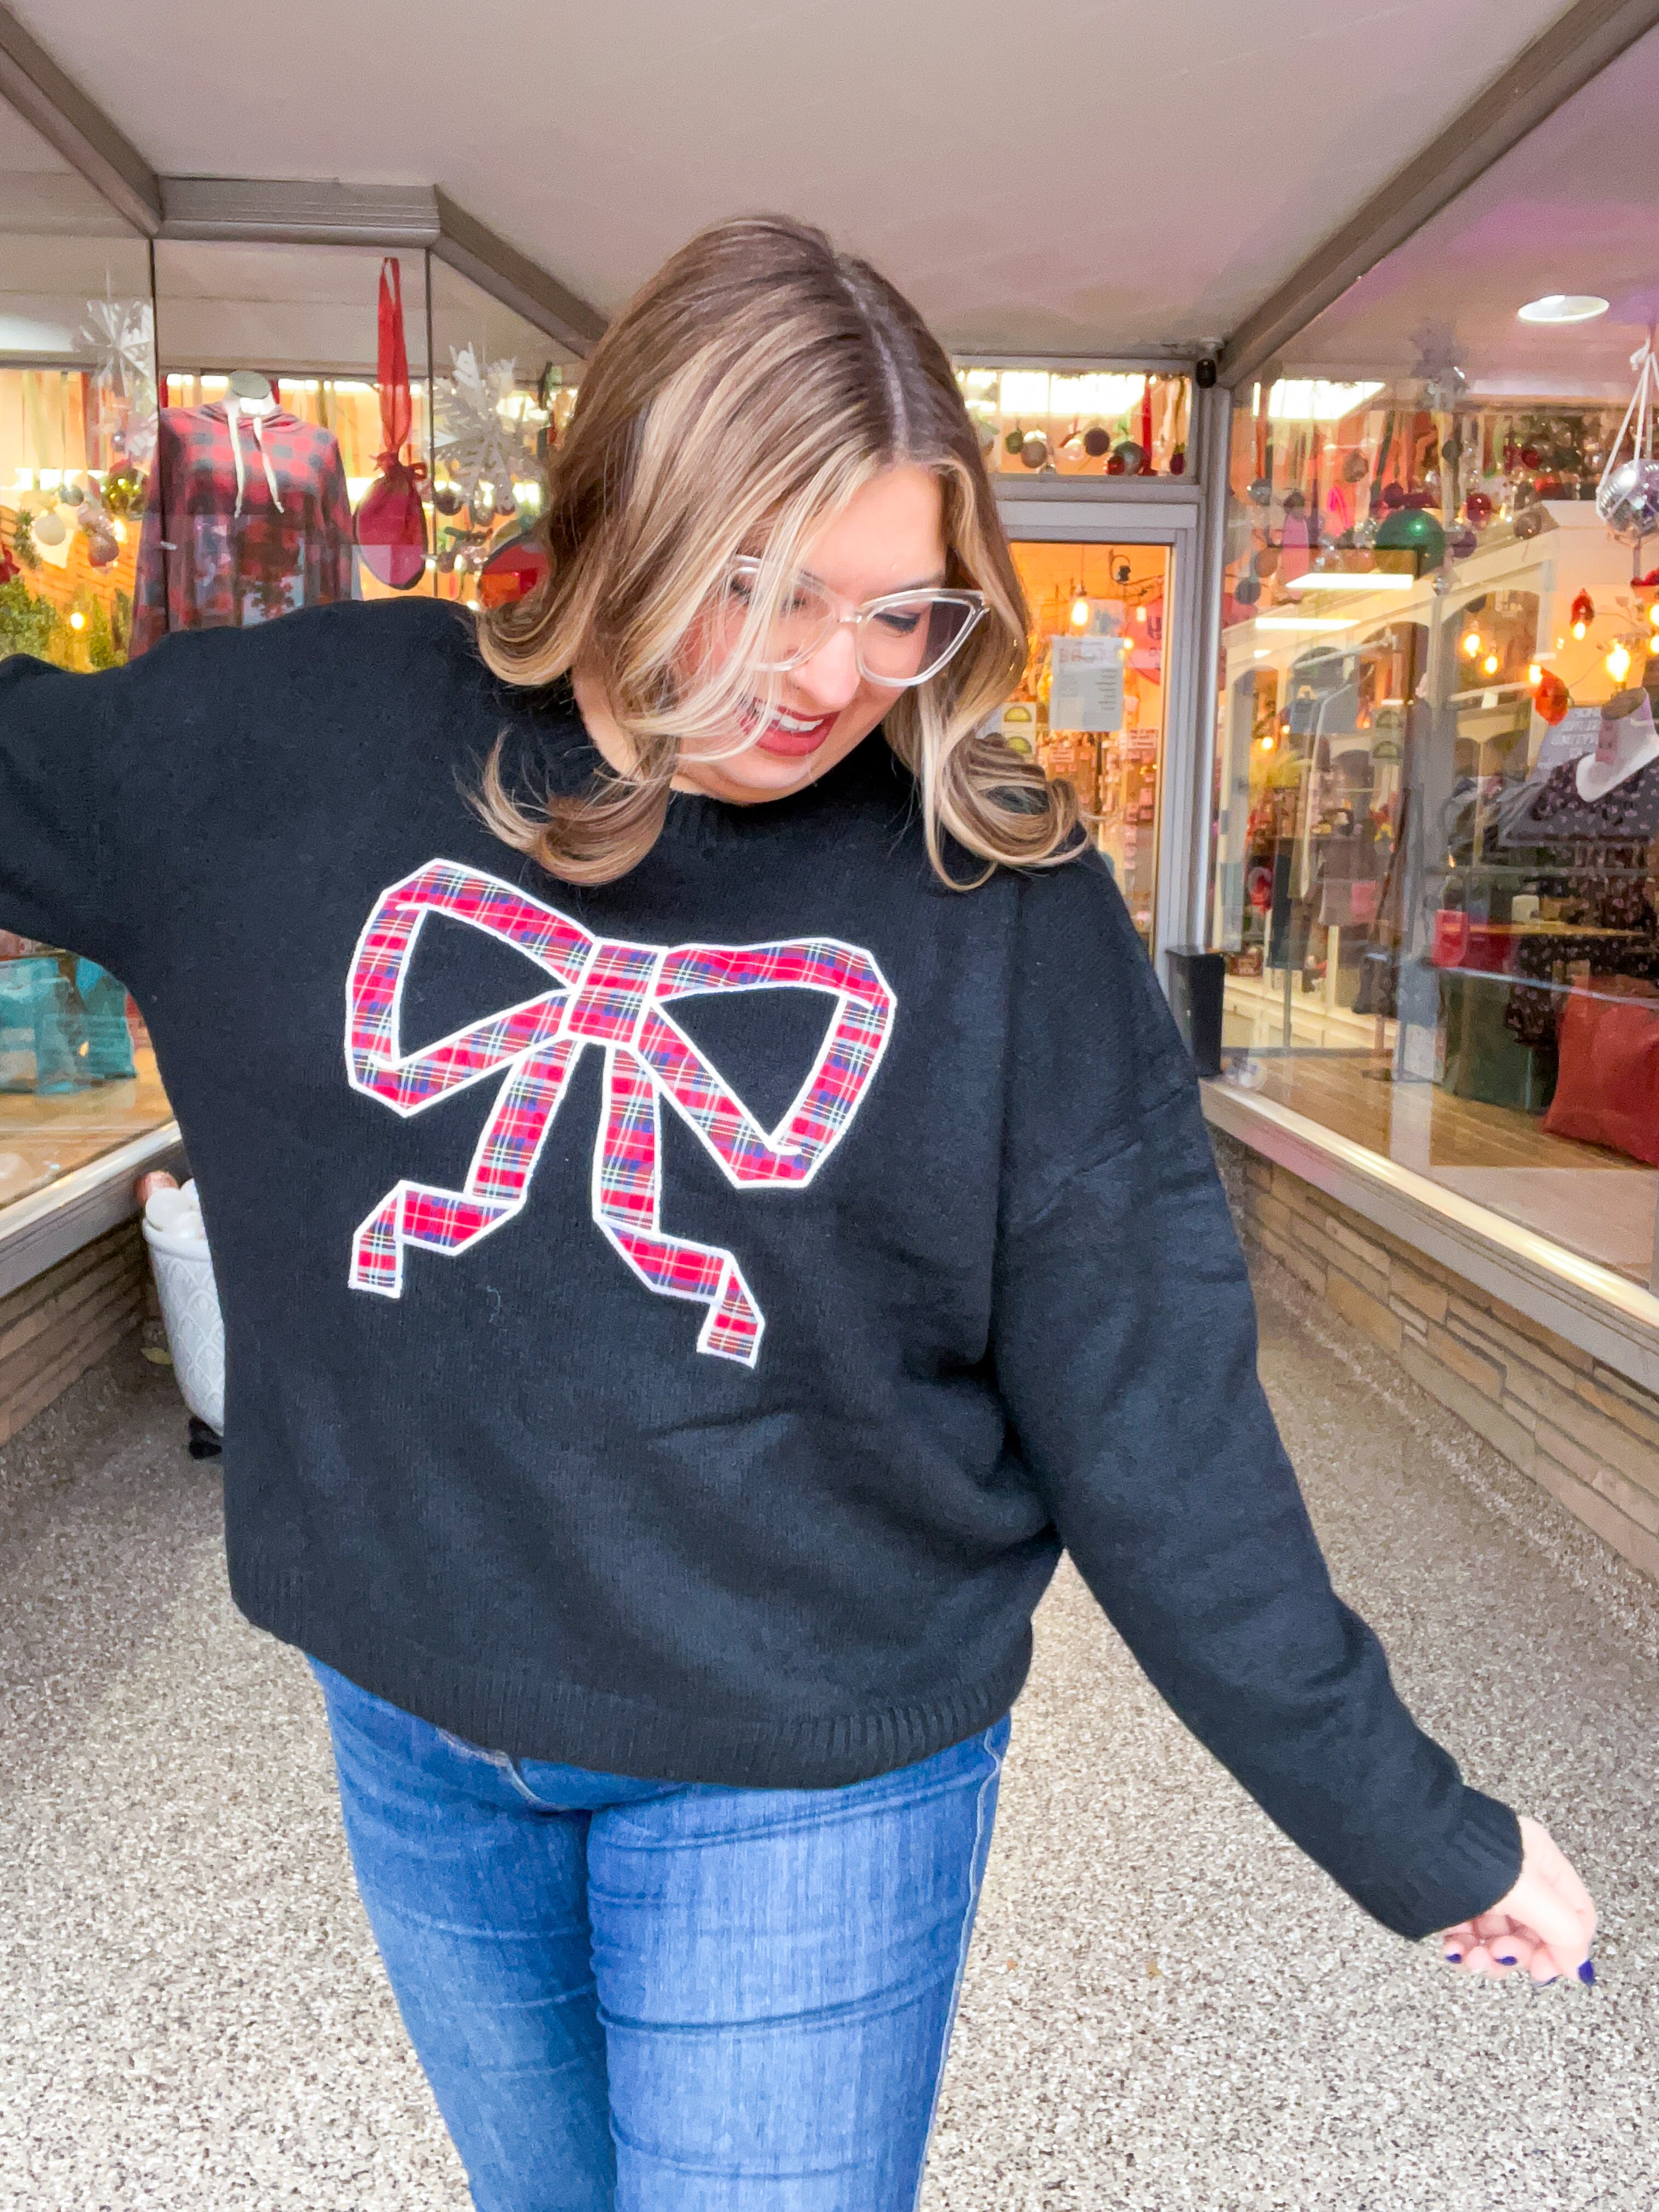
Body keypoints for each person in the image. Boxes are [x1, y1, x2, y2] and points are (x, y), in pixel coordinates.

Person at [0, 217, 1593, 2211]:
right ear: (614, 525)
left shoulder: (994, 902)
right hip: (416, 1723)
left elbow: (1160, 1423)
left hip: (809, 1766)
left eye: (901, 609)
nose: (831, 674)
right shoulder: (279, 754)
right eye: (760, 587)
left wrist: (1414, 1825)